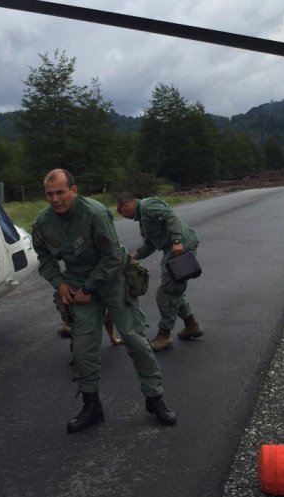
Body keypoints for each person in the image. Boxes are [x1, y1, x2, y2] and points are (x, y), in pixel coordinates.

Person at [32, 169, 177, 432]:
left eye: (60, 192)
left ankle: (155, 398)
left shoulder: (96, 214)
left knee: (135, 339)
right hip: (77, 284)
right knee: (83, 348)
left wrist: (89, 287)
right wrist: (60, 282)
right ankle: (91, 406)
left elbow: (113, 257)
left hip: (110, 280)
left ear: (74, 191)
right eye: (49, 194)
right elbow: (43, 257)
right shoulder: (44, 222)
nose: (54, 199)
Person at [115, 192, 203, 352]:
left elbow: (171, 217)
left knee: (166, 293)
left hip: (180, 249)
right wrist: (134, 255)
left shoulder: (148, 205)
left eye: (121, 212)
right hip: (172, 251)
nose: (124, 216)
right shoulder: (143, 218)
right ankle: (192, 325)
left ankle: (164, 335)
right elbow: (150, 244)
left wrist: (177, 241)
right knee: (174, 290)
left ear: (125, 204)